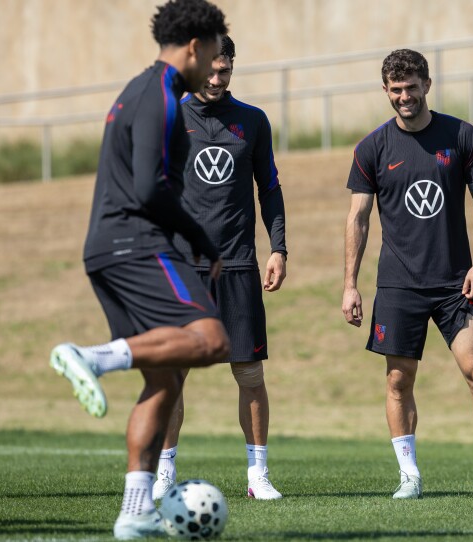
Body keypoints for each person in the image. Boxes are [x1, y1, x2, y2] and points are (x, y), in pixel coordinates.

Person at [48, 0, 228, 538]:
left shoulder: (136, 89)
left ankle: (135, 511)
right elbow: (151, 188)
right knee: (213, 339)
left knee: (166, 377)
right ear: (195, 46)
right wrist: (200, 239)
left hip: (106, 248)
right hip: (135, 244)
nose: (216, 63)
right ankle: (92, 357)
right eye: (215, 52)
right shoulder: (162, 98)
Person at [342, 48, 473, 501]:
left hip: (455, 283)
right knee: (397, 380)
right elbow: (358, 219)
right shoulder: (372, 148)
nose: (404, 96)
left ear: (427, 84)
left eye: (411, 87)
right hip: (398, 284)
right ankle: (409, 476)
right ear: (385, 91)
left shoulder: (461, 135)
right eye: (395, 89)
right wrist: (349, 283)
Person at [150, 35, 287, 501]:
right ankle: (165, 473)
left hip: (239, 265)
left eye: (223, 70)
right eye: (208, 70)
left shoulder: (252, 121)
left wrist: (278, 248)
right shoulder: (170, 118)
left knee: (249, 375)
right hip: (183, 269)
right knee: (172, 374)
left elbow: (269, 187)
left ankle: (258, 476)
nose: (215, 79)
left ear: (232, 68)